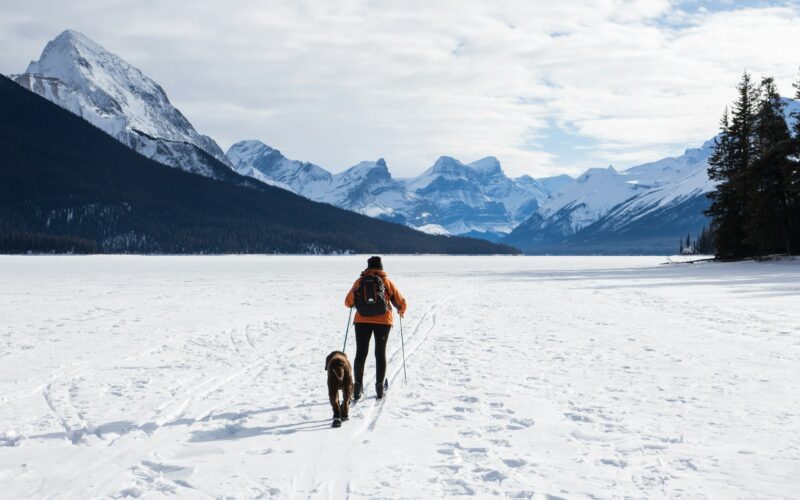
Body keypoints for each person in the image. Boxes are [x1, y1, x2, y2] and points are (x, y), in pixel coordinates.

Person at [344, 255, 407, 400]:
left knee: (361, 353)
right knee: (380, 353)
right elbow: (400, 301)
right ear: (381, 267)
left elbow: (348, 302)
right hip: (384, 322)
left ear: (368, 267)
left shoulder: (360, 281)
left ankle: (357, 387)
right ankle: (379, 388)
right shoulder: (386, 281)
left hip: (361, 321)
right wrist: (401, 310)